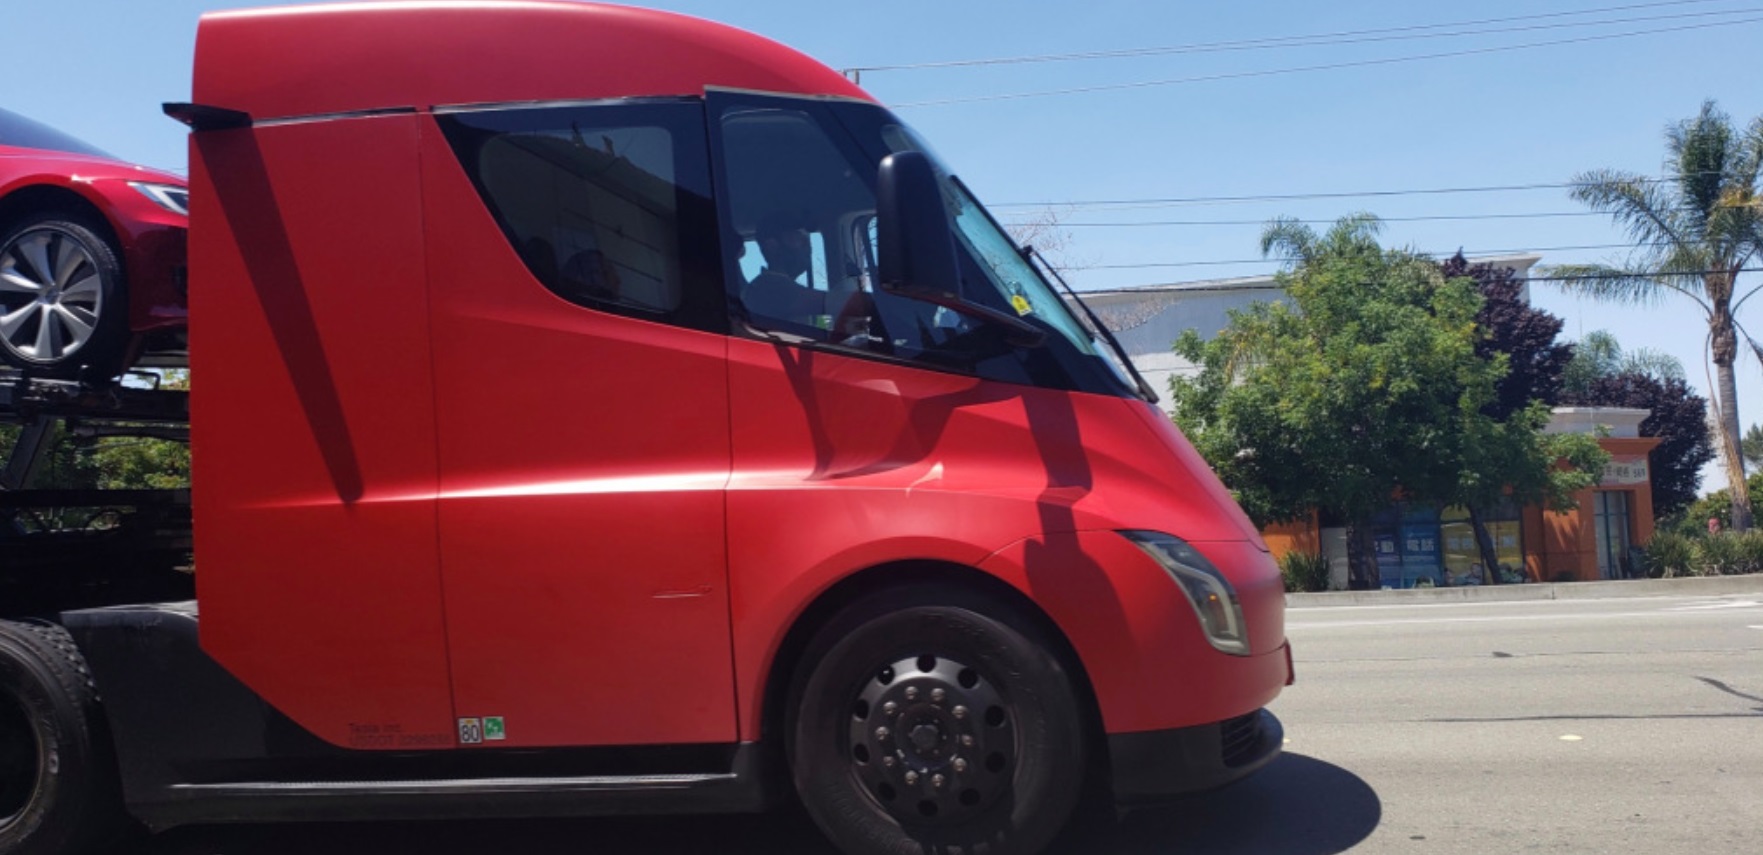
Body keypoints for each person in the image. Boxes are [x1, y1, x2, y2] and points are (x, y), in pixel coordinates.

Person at [742, 212, 825, 327]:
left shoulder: (782, 288)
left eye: (806, 239)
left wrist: (837, 324)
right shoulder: (769, 287)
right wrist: (855, 301)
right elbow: (829, 303)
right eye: (797, 238)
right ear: (772, 245)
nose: (807, 246)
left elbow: (811, 323)